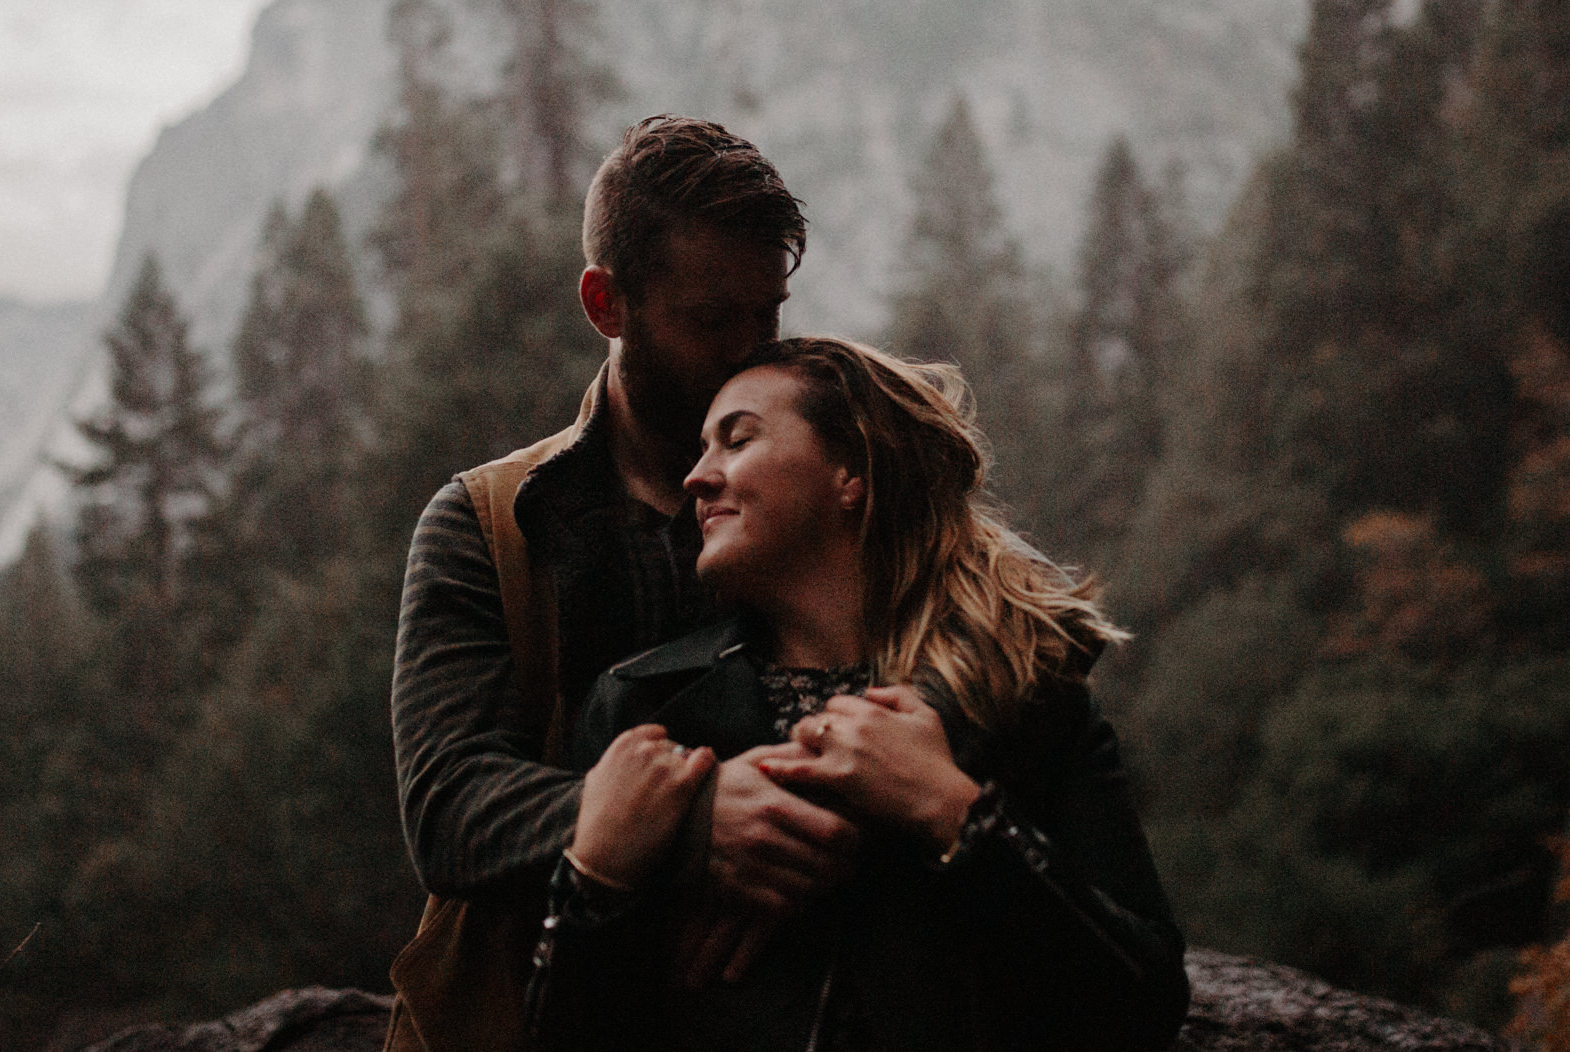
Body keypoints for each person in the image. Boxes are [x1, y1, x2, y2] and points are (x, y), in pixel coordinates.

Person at [527, 336, 1191, 1051]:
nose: (696, 477)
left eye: (737, 440)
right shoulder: (639, 711)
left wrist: (954, 815)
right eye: (700, 448)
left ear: (853, 472)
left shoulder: (1023, 699)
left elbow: (1143, 1003)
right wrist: (592, 880)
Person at [389, 116, 858, 1046]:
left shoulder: (826, 491)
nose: (752, 350)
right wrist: (698, 830)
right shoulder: (489, 523)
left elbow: (947, 670)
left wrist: (795, 848)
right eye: (710, 320)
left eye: (767, 314)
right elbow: (452, 806)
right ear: (606, 304)